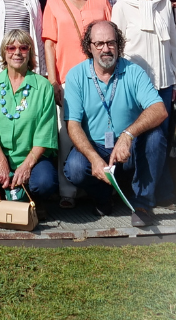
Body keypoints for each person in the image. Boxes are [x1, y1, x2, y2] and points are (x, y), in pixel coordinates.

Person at [63, 21, 169, 222]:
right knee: (75, 168)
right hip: (96, 147)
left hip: (128, 151)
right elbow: (73, 125)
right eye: (99, 44)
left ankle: (141, 204)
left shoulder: (133, 71)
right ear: (89, 46)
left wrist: (128, 135)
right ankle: (103, 198)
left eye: (111, 43)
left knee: (155, 137)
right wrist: (94, 158)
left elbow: (159, 109)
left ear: (119, 44)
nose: (106, 49)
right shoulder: (76, 75)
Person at [110, 0, 176, 206]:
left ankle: (158, 192)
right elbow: (115, 48)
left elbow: (173, 45)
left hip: (163, 84)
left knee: (159, 140)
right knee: (143, 138)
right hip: (134, 86)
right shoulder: (121, 6)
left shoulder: (165, 3)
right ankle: (146, 194)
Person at [41, 0, 111, 207]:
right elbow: (49, 44)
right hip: (68, 78)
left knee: (98, 131)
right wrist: (53, 80)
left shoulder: (100, 0)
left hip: (100, 77)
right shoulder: (54, 3)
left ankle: (98, 186)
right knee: (68, 134)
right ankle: (67, 190)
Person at [0, 29, 58, 223]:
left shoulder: (43, 87)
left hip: (32, 155)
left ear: (30, 52)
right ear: (4, 53)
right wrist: (1, 162)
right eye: (11, 47)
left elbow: (46, 132)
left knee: (45, 181)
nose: (17, 52)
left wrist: (26, 165)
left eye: (23, 47)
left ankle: (35, 202)